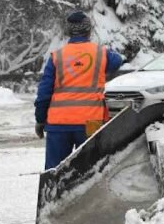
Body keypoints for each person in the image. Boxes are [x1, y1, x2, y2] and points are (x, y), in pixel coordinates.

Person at [34, 11, 122, 170]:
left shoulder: (57, 57)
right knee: (91, 171)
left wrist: (40, 120)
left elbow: (44, 93)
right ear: (89, 30)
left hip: (59, 124)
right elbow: (117, 61)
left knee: (55, 171)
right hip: (91, 123)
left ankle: (53, 195)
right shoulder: (101, 54)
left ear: (68, 32)